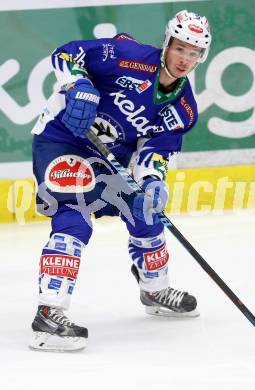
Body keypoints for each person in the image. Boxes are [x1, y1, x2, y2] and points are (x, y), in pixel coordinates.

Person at [29, 9, 212, 351]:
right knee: (74, 218)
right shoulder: (127, 57)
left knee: (146, 211)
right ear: (167, 43)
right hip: (61, 140)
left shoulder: (183, 107)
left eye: (194, 52)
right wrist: (78, 84)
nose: (185, 58)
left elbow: (154, 152)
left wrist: (153, 181)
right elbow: (67, 53)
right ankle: (49, 313)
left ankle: (154, 289)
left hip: (108, 159)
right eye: (180, 48)